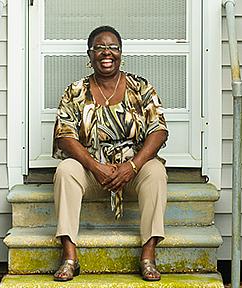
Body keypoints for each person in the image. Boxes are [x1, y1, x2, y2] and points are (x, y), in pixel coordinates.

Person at [51, 25, 168, 282]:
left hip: (132, 172)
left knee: (156, 170)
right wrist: (95, 167)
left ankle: (148, 255)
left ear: (121, 53)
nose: (107, 52)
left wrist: (133, 166)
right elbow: (64, 136)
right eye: (99, 48)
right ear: (89, 54)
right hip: (93, 172)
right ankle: (70, 256)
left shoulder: (140, 87)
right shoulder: (76, 92)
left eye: (113, 47)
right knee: (66, 170)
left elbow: (158, 130)